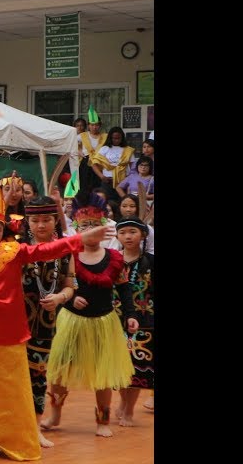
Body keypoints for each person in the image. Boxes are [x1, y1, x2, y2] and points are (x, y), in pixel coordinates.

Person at [0, 182, 114, 461]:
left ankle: (6, 436)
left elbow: (48, 251)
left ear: (5, 231)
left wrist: (82, 238)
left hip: (13, 332)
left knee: (8, 391)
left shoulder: (13, 252)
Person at [43, 191, 134, 437]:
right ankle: (55, 413)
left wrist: (130, 315)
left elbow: (125, 289)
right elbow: (59, 287)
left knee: (103, 375)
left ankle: (102, 421)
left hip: (104, 322)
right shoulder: (68, 256)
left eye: (95, 225)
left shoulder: (114, 258)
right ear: (78, 229)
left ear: (103, 227)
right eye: (85, 226)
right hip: (72, 321)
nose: (91, 231)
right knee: (60, 369)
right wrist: (71, 300)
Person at [19, 196, 74, 449]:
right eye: (35, 220)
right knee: (13, 376)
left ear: (55, 221)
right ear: (27, 222)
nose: (41, 225)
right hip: (15, 323)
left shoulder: (65, 250)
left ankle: (34, 426)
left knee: (39, 377)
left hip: (46, 324)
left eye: (46, 220)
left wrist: (60, 297)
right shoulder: (16, 248)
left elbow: (70, 286)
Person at [114, 216, 153, 427]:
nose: (127, 236)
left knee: (137, 367)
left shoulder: (150, 261)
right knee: (121, 367)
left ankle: (129, 410)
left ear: (143, 235)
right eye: (123, 232)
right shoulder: (111, 259)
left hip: (144, 320)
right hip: (114, 318)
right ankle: (122, 401)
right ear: (117, 236)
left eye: (132, 232)